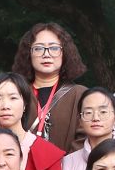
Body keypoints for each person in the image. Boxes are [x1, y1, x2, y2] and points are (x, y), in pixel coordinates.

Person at [13, 22, 87, 151]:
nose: (46, 54)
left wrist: (63, 162)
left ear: (65, 53)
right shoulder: (16, 93)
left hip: (68, 163)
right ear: (28, 54)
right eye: (38, 48)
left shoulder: (80, 95)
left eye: (54, 48)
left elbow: (85, 139)